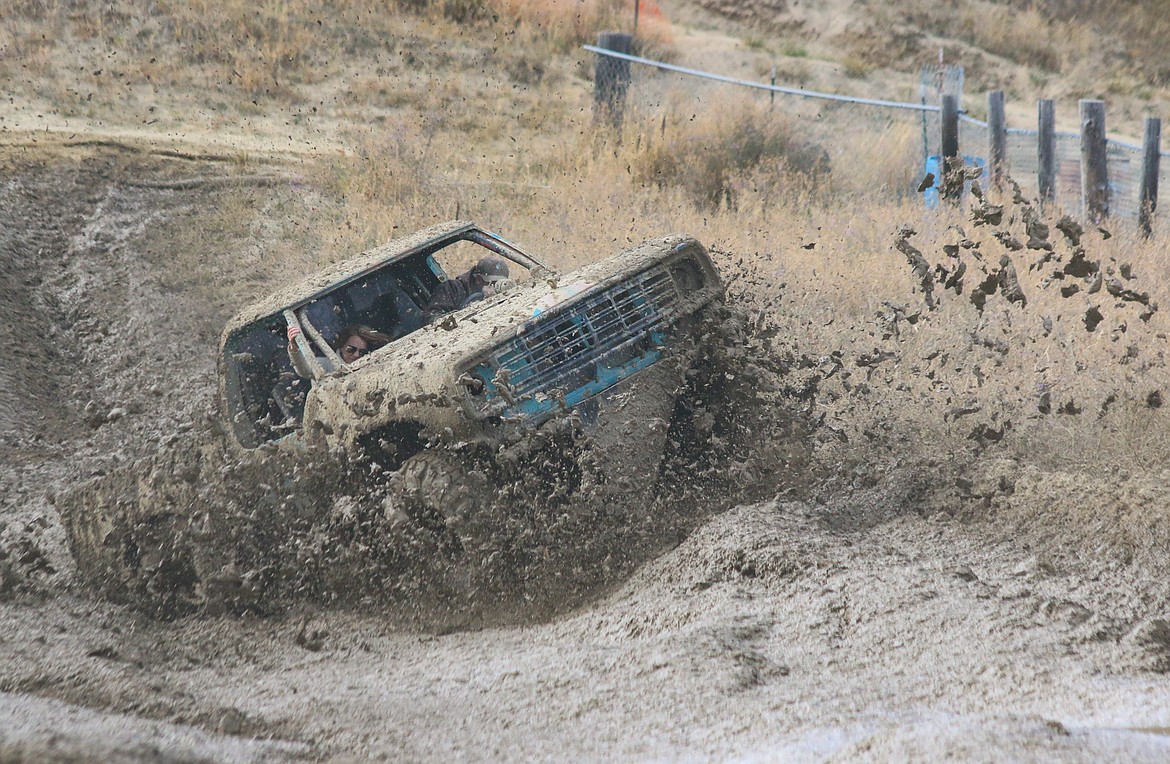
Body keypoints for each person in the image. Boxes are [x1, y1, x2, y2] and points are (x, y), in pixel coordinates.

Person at [286, 323, 392, 379]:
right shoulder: (327, 365)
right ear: (341, 346)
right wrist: (294, 348)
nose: (356, 355)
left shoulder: (371, 361)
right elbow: (305, 370)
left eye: (362, 352)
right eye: (351, 349)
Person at [424, 255, 510, 319]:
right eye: (492, 283)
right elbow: (431, 318)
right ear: (479, 279)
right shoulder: (451, 289)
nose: (495, 286)